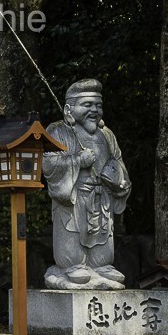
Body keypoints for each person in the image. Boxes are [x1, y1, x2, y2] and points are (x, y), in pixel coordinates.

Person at [43, 79, 132, 290]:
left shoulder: (107, 135)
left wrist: (118, 179)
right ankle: (71, 266)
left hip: (102, 200)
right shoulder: (58, 131)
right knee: (73, 253)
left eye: (98, 105)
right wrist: (77, 161)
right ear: (69, 108)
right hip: (75, 200)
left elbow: (118, 162)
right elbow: (48, 164)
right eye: (87, 105)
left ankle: (100, 267)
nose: (94, 110)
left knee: (103, 253)